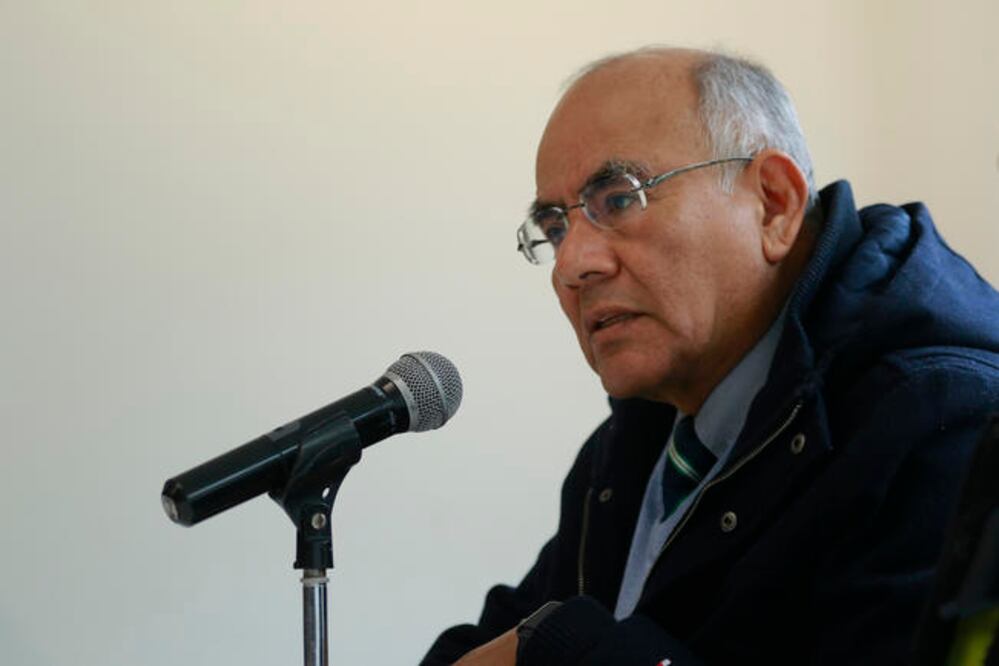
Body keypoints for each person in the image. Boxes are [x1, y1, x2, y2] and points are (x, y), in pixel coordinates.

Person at [421, 46, 999, 665]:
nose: (571, 264)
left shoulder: (942, 415)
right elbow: (501, 636)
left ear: (773, 204)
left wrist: (561, 650)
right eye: (556, 227)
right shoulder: (644, 433)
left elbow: (547, 639)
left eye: (618, 199)